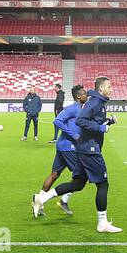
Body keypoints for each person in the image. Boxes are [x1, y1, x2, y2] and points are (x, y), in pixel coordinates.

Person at [32, 84, 89, 217]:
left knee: (54, 174)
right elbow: (57, 121)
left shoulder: (81, 109)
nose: (87, 96)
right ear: (78, 96)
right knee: (80, 177)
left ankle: (38, 201)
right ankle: (63, 201)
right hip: (68, 147)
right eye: (84, 94)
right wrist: (74, 135)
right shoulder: (73, 109)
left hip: (63, 146)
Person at [75, 75, 122, 233]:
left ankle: (43, 198)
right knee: (103, 184)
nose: (112, 89)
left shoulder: (98, 102)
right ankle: (102, 223)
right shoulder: (94, 102)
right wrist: (102, 128)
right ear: (101, 88)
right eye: (109, 86)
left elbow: (94, 122)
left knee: (78, 183)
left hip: (88, 147)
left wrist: (108, 122)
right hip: (90, 149)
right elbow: (81, 121)